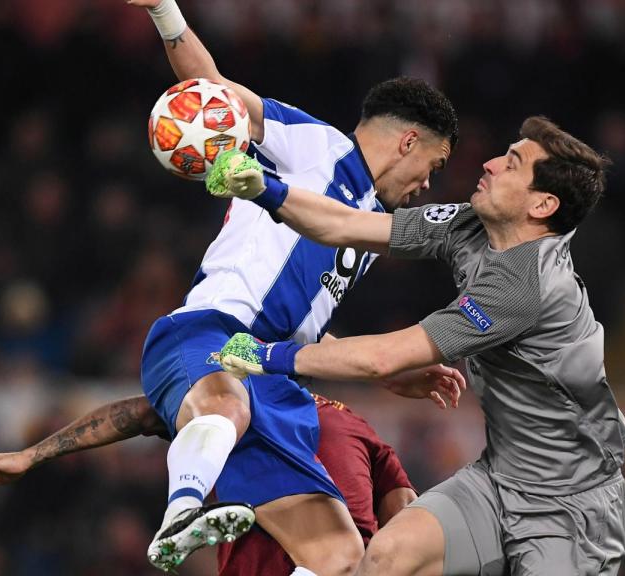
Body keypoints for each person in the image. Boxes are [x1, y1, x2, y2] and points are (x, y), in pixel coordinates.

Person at [209, 115, 625, 575]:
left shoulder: (528, 286)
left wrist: (267, 355)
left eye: (511, 164)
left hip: (569, 508)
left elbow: (383, 358)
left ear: (543, 204)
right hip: (497, 481)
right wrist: (266, 191)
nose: (488, 164)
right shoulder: (471, 225)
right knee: (388, 558)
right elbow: (348, 225)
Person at [126, 0, 461, 572]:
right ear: (408, 142)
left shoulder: (367, 235)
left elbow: (309, 337)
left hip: (273, 380)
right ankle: (181, 511)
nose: (428, 183)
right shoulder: (318, 148)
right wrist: (164, 11)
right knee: (224, 394)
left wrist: (397, 378)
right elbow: (214, 88)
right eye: (433, 163)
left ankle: (196, 500)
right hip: (212, 335)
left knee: (341, 555)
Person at [0, 393, 418, 576]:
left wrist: (32, 455)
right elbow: (405, 509)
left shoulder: (234, 406)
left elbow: (134, 415)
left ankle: (182, 509)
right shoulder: (356, 423)